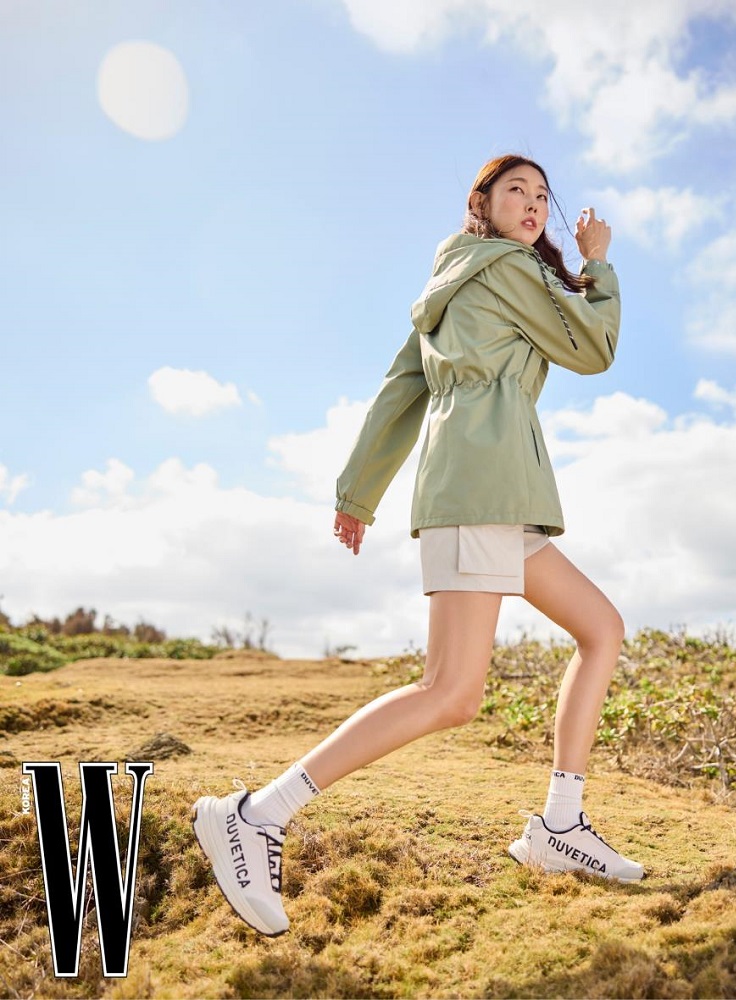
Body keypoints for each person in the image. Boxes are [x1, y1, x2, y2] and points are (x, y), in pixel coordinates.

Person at [192, 153, 644, 938]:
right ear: (482, 203)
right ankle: (256, 815)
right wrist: (598, 265)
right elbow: (593, 348)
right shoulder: (509, 267)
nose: (533, 203)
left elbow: (403, 387)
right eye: (516, 190)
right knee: (450, 693)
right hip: (481, 489)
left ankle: (560, 826)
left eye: (543, 195)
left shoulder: (453, 278)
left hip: (494, 493)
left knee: (601, 629)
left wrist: (358, 491)